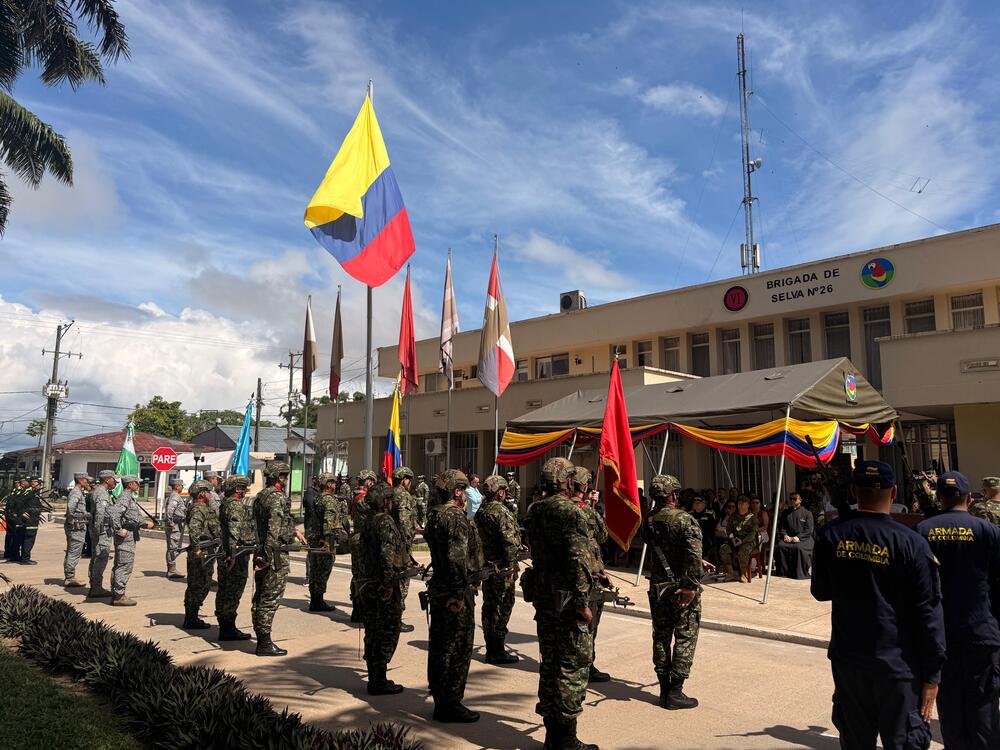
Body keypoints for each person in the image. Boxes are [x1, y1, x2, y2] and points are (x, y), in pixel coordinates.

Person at [811, 460, 945, 750]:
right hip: (897, 665)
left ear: (855, 492)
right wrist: (933, 674)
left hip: (849, 661)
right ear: (894, 493)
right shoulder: (911, 542)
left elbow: (821, 591)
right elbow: (928, 613)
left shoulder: (831, 534)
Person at [917, 471, 1000, 750]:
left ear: (939, 497)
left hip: (941, 634)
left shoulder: (922, 531)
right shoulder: (988, 531)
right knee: (984, 707)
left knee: (950, 705)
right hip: (982, 631)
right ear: (969, 497)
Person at [523, 457, 598, 750]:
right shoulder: (571, 512)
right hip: (567, 601)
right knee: (572, 668)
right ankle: (565, 739)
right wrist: (582, 602)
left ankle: (553, 735)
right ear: (567, 481)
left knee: (551, 665)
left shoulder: (534, 510)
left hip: (545, 599)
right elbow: (577, 559)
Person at [642, 474, 703, 710]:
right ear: (674, 495)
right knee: (685, 636)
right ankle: (676, 692)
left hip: (658, 588)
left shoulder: (648, 520)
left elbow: (662, 547)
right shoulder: (685, 520)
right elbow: (693, 557)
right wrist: (690, 587)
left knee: (661, 635)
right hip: (680, 588)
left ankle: (664, 689)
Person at [425, 469, 482, 723]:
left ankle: (441, 700)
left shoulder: (435, 515)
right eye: (465, 490)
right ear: (457, 492)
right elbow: (456, 557)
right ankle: (450, 703)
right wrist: (459, 594)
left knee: (439, 646)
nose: (468, 495)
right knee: (457, 648)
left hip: (439, 587)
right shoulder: (456, 517)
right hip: (453, 591)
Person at [252, 461, 307, 656]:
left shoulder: (261, 496)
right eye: (284, 476)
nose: (286, 479)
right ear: (279, 477)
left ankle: (262, 638)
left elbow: (276, 522)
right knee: (270, 598)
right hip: (274, 554)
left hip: (262, 551)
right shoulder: (277, 498)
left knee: (260, 597)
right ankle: (264, 644)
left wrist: (294, 532)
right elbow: (274, 529)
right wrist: (269, 556)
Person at [359, 483, 409, 695]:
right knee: (387, 630)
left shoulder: (368, 521)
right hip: (382, 585)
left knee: (373, 631)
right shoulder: (385, 522)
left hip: (368, 583)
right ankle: (378, 679)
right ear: (386, 501)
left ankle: (375, 677)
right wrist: (388, 584)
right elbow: (386, 555)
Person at [474, 474, 521, 665]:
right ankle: (497, 650)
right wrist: (511, 564)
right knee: (503, 606)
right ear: (500, 492)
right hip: (502, 568)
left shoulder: (481, 510)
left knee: (489, 606)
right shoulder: (500, 511)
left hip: (488, 566)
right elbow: (509, 541)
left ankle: (492, 647)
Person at [570, 466, 611, 683]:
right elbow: (602, 535)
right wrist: (594, 509)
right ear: (585, 486)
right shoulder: (584, 509)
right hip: (587, 576)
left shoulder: (553, 507)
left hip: (565, 576)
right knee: (588, 625)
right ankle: (586, 665)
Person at [216, 474, 255, 641]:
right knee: (232, 591)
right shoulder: (235, 505)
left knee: (224, 590)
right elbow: (234, 530)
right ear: (238, 488)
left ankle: (225, 625)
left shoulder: (225, 503)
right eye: (244, 487)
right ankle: (228, 628)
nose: (246, 491)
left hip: (228, 552)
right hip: (236, 555)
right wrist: (232, 554)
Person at [107, 475, 155, 606]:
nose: (139, 486)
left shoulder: (129, 498)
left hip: (130, 535)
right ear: (129, 485)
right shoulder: (124, 497)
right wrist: (118, 529)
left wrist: (144, 523)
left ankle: (117, 593)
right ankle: (119, 596)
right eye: (136, 483)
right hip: (125, 537)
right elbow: (114, 513)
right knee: (124, 565)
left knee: (121, 564)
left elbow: (131, 516)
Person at [305, 472, 346, 612]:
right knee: (322, 571)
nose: (336, 484)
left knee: (315, 571)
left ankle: (315, 599)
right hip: (325, 542)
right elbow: (329, 521)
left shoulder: (318, 498)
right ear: (328, 484)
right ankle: (318, 601)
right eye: (334, 482)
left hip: (315, 540)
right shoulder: (329, 500)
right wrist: (329, 541)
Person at [183, 480, 219, 629]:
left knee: (200, 584)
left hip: (206, 550)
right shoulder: (199, 509)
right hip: (201, 553)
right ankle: (191, 618)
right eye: (208, 492)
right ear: (202, 493)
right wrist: (197, 547)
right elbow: (195, 529)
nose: (211, 494)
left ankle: (192, 616)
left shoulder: (202, 507)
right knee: (199, 584)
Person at [390, 466, 418, 633]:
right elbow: (404, 522)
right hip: (400, 548)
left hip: (388, 544)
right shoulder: (404, 496)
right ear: (404, 480)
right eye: (409, 479)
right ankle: (396, 620)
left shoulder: (388, 493)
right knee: (401, 584)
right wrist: (407, 547)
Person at [349, 469, 378, 623]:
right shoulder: (362, 497)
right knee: (363, 576)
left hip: (358, 538)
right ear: (368, 481)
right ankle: (360, 609)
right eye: (371, 482)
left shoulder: (356, 495)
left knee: (358, 574)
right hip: (362, 539)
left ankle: (358, 608)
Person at [86, 470, 118, 598]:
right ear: (107, 480)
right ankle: (96, 587)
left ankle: (95, 585)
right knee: (100, 557)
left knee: (96, 557)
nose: (115, 482)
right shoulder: (102, 493)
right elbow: (100, 513)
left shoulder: (99, 491)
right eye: (113, 479)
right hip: (102, 530)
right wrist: (99, 530)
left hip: (99, 529)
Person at [774, 492, 815, 579]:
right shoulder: (786, 512)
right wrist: (785, 535)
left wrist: (798, 537)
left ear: (800, 500)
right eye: (791, 499)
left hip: (804, 538)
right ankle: (783, 573)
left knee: (798, 548)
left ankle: (799, 573)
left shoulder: (807, 513)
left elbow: (809, 529)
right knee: (780, 546)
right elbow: (782, 526)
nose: (792, 500)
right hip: (789, 537)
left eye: (794, 498)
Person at [63, 473, 93, 586]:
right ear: (80, 481)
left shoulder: (77, 492)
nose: (88, 483)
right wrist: (72, 522)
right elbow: (71, 508)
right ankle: (70, 577)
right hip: (76, 526)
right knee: (74, 552)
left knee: (72, 551)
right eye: (86, 480)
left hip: (77, 524)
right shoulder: (76, 493)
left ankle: (69, 575)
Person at [719, 496, 757, 582]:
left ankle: (744, 574)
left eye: (743, 503)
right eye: (739, 503)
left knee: (742, 551)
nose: (740, 505)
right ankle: (730, 573)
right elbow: (729, 529)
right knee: (723, 549)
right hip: (735, 540)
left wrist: (742, 541)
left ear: (747, 505)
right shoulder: (733, 516)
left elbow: (752, 533)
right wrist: (732, 538)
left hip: (748, 541)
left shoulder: (752, 517)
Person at [15, 477, 44, 564]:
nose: (40, 486)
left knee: (26, 539)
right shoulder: (31, 493)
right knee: (29, 539)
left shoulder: (28, 492)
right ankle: (25, 559)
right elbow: (17, 503)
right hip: (31, 520)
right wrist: (22, 512)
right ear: (35, 484)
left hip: (29, 520)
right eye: (39, 484)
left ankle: (23, 557)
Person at [164, 476, 187, 580]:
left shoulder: (173, 495)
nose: (182, 488)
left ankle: (172, 568)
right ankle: (172, 570)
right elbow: (170, 510)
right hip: (175, 525)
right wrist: (170, 522)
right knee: (173, 547)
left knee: (173, 547)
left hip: (177, 525)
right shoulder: (175, 496)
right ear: (177, 486)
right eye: (181, 486)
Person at [2, 478, 27, 560]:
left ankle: (8, 552)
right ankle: (12, 553)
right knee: (14, 535)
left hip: (9, 514)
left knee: (9, 535)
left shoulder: (13, 491)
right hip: (14, 516)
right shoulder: (19, 492)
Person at [688, 496, 716, 563]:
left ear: (704, 504)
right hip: (693, 537)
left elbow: (712, 529)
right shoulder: (689, 515)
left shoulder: (709, 514)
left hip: (706, 538)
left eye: (698, 503)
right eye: (695, 503)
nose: (696, 505)